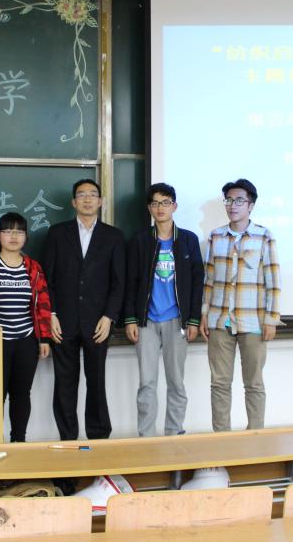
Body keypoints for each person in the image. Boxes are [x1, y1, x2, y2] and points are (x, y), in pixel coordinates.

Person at [43, 179, 125, 440]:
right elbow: (47, 279)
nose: (87, 199)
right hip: (63, 321)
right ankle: (68, 439)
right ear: (73, 202)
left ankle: (99, 438)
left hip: (98, 322)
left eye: (92, 195)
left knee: (96, 382)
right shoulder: (57, 234)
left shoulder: (114, 236)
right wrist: (51, 314)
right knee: (64, 384)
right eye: (81, 195)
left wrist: (109, 316)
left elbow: (119, 282)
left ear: (100, 201)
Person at [0, 211, 56, 443]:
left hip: (26, 340)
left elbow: (43, 304)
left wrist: (44, 338)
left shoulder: (33, 268)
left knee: (21, 394)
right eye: (8, 231)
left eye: (19, 232)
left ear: (25, 236)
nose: (14, 236)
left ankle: (18, 442)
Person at [200, 178, 281, 432]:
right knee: (219, 384)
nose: (233, 205)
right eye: (229, 200)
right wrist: (204, 314)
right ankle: (221, 440)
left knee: (253, 383)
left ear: (251, 206)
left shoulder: (264, 236)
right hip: (219, 320)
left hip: (253, 321)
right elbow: (208, 280)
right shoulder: (215, 236)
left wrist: (271, 319)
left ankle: (255, 437)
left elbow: (273, 281)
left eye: (239, 201)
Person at [124, 182, 204, 437]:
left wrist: (193, 320)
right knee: (147, 383)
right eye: (155, 203)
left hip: (177, 320)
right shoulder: (140, 240)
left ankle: (174, 432)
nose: (160, 208)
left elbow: (197, 282)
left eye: (166, 202)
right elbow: (130, 281)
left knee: (176, 382)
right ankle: (146, 437)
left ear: (174, 206)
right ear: (149, 208)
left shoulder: (188, 240)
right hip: (146, 321)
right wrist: (130, 319)